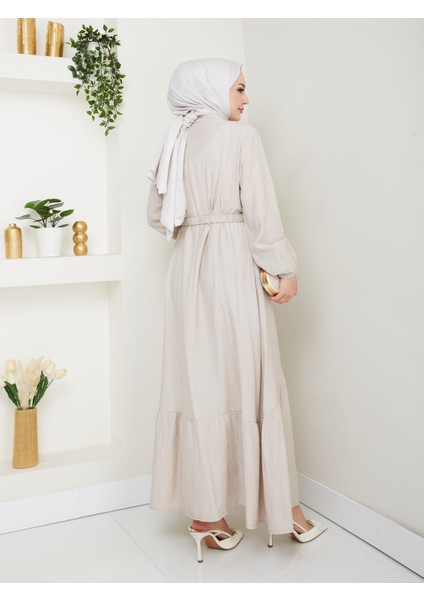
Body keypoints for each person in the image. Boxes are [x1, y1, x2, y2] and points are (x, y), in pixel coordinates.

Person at [146, 58, 327, 563]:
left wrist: (198, 226)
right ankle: (283, 509)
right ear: (210, 89)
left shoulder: (175, 142)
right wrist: (284, 268)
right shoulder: (240, 138)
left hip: (186, 273)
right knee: (253, 376)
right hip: (230, 266)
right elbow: (262, 215)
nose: (247, 100)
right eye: (240, 88)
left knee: (200, 384)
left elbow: (157, 216)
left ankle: (207, 515)